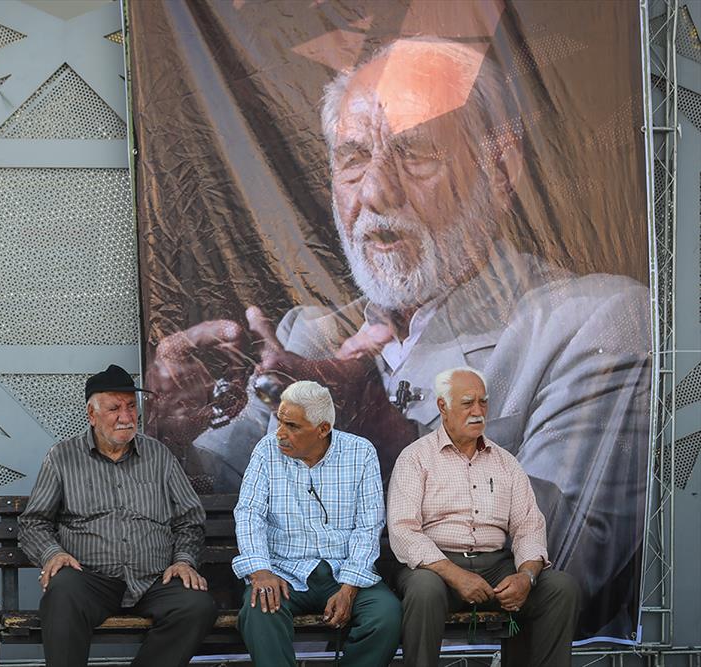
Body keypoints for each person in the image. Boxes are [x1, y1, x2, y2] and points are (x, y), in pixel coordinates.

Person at [147, 36, 649, 636]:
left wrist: (380, 432)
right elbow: (218, 514)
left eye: (416, 154)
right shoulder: (310, 337)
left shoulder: (595, 323)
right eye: (353, 158)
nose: (375, 192)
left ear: (500, 168)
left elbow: (567, 566)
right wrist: (171, 441)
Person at [17, 364, 217, 667]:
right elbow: (34, 522)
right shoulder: (62, 457)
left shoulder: (159, 456)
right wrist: (52, 554)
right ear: (92, 414)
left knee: (197, 605)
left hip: (154, 581)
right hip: (90, 580)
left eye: (131, 406)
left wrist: (183, 560)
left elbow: (189, 519)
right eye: (114, 408)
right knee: (62, 592)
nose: (126, 416)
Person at [388, 366, 580, 667]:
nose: (478, 411)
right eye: (467, 403)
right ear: (443, 406)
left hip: (495, 566)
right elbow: (404, 531)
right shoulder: (416, 457)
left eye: (483, 402)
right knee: (424, 591)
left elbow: (528, 526)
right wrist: (456, 575)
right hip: (436, 566)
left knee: (561, 588)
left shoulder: (506, 462)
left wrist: (526, 576)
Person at [232, 380, 400, 667]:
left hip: (343, 572)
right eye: (280, 421)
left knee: (385, 615)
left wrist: (349, 588)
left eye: (292, 426)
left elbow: (369, 526)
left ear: (322, 429)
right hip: (283, 572)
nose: (280, 433)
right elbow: (249, 513)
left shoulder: (360, 452)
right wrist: (261, 571)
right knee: (260, 609)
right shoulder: (266, 450)